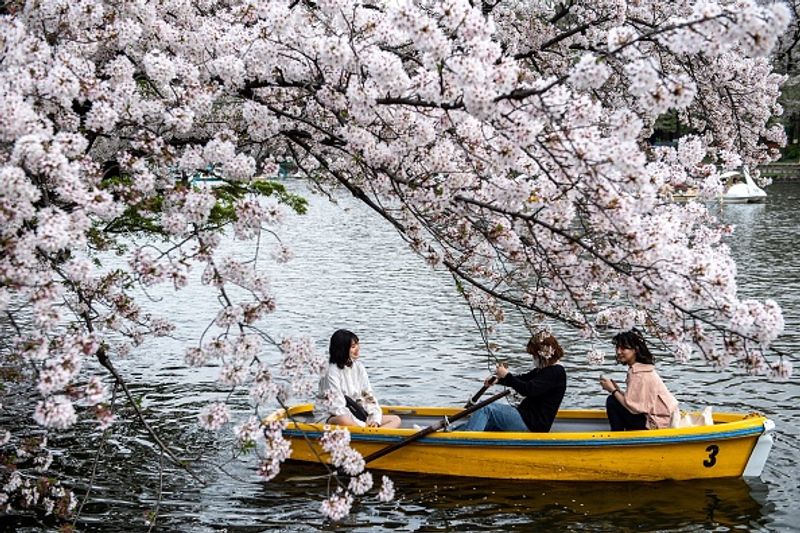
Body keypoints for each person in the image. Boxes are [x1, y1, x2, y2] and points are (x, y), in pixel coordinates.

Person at [457, 332, 567, 432]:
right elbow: (522, 379)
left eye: (534, 355)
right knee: (486, 423)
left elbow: (528, 389)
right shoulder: (544, 370)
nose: (533, 358)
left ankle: (467, 442)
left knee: (485, 408)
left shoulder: (555, 372)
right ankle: (452, 434)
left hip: (532, 424)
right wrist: (498, 380)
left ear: (543, 354)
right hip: (524, 417)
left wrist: (507, 375)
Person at [315, 329, 401, 429]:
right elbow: (336, 407)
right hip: (331, 415)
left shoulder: (359, 367)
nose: (357, 349)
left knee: (395, 420)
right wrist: (363, 426)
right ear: (342, 349)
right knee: (344, 420)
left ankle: (374, 436)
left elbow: (368, 396)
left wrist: (375, 420)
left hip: (356, 413)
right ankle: (371, 435)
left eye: (357, 345)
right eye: (353, 347)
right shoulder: (331, 371)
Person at [599, 329, 679, 431]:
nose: (619, 352)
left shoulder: (640, 374)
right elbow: (637, 401)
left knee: (612, 401)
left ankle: (616, 438)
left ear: (635, 349)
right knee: (615, 399)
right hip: (659, 418)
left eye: (623, 348)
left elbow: (633, 408)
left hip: (656, 423)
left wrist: (613, 390)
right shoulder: (641, 369)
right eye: (617, 347)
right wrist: (617, 390)